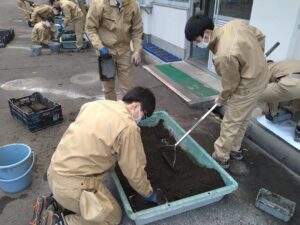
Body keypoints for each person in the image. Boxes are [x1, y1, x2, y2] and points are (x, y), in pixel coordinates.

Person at [46, 87, 164, 225]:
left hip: (54, 173)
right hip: (72, 186)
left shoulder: (95, 105)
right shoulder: (128, 128)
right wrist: (149, 193)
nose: (141, 120)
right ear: (136, 105)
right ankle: (57, 222)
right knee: (112, 217)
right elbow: (134, 172)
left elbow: (94, 141)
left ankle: (56, 203)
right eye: (144, 115)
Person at [185, 15, 270, 169]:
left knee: (231, 121)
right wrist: (257, 58)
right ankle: (235, 149)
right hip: (262, 76)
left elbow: (231, 85)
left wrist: (221, 98)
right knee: (243, 116)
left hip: (248, 85)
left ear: (207, 33)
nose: (198, 45)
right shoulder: (235, 24)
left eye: (197, 41)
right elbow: (260, 35)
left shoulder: (224, 55)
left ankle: (221, 156)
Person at [85, 0, 143, 100]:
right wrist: (100, 47)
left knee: (128, 88)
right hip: (106, 52)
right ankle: (112, 111)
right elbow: (90, 28)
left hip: (124, 51)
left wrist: (136, 50)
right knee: (108, 88)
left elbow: (137, 30)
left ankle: (126, 112)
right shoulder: (98, 4)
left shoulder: (133, 5)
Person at [260, 60, 300, 142]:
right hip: (295, 84)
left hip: (293, 86)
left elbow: (273, 96)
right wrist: (295, 107)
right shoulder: (288, 63)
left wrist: (272, 112)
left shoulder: (266, 70)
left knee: (252, 95)